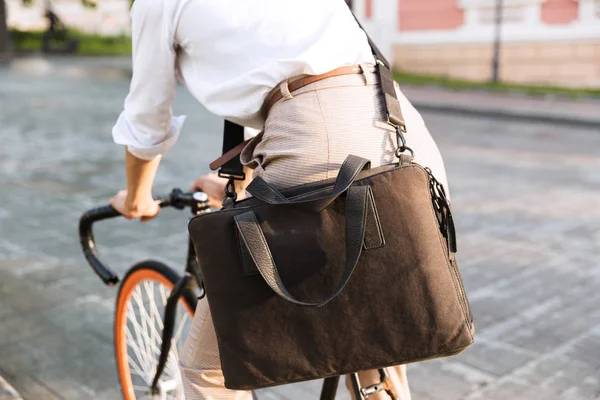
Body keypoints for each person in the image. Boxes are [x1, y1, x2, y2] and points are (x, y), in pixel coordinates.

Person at [110, 0, 449, 399]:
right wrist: (244, 182)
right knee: (376, 333)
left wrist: (137, 199)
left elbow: (147, 123)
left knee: (211, 370)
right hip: (402, 136)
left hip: (317, 149)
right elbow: (300, 86)